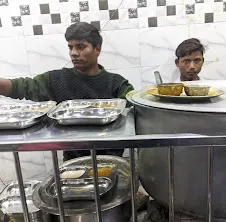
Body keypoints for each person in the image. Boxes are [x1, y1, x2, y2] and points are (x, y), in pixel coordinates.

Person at [0, 22, 134, 160]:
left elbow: (134, 107)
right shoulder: (57, 80)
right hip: (72, 165)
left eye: (81, 47)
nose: (74, 53)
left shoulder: (117, 83)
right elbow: (21, 86)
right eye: (70, 47)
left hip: (112, 161)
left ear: (97, 49)